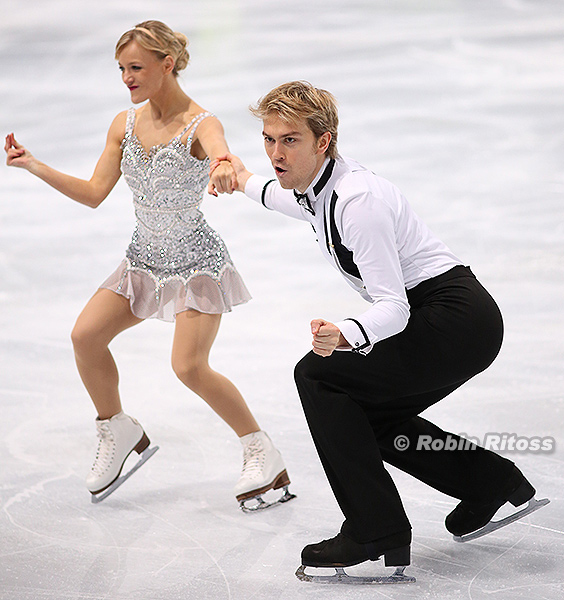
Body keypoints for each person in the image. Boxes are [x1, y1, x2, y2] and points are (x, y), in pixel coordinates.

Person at [210, 81, 544, 572]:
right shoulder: (314, 186)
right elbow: (284, 198)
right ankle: (487, 482)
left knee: (318, 377)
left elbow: (392, 306)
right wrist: (241, 180)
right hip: (453, 319)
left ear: (323, 142)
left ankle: (374, 530)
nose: (275, 152)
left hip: (452, 318)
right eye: (268, 139)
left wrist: (348, 332)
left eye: (290, 140)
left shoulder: (356, 201)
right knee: (364, 415)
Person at [4, 20, 292, 508]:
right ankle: (117, 428)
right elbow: (96, 193)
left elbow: (223, 155)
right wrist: (35, 165)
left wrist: (223, 166)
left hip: (196, 264)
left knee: (189, 366)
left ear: (167, 63)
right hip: (142, 261)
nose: (127, 78)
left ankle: (262, 451)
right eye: (121, 68)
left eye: (135, 67)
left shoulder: (203, 124)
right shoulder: (125, 123)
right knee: (85, 336)